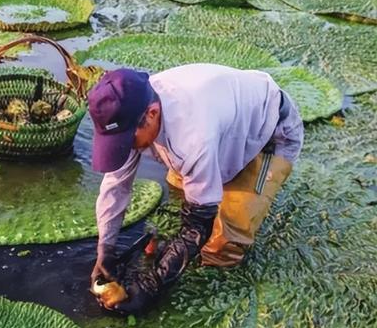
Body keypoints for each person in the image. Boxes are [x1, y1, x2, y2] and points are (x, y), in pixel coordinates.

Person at [88, 64, 304, 314]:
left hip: (268, 133)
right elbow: (115, 187)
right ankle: (212, 186)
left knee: (220, 248)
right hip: (221, 128)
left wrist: (151, 286)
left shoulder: (192, 137)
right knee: (180, 193)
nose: (124, 148)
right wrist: (105, 249)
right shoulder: (132, 106)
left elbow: (197, 225)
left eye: (127, 141)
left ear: (152, 113)